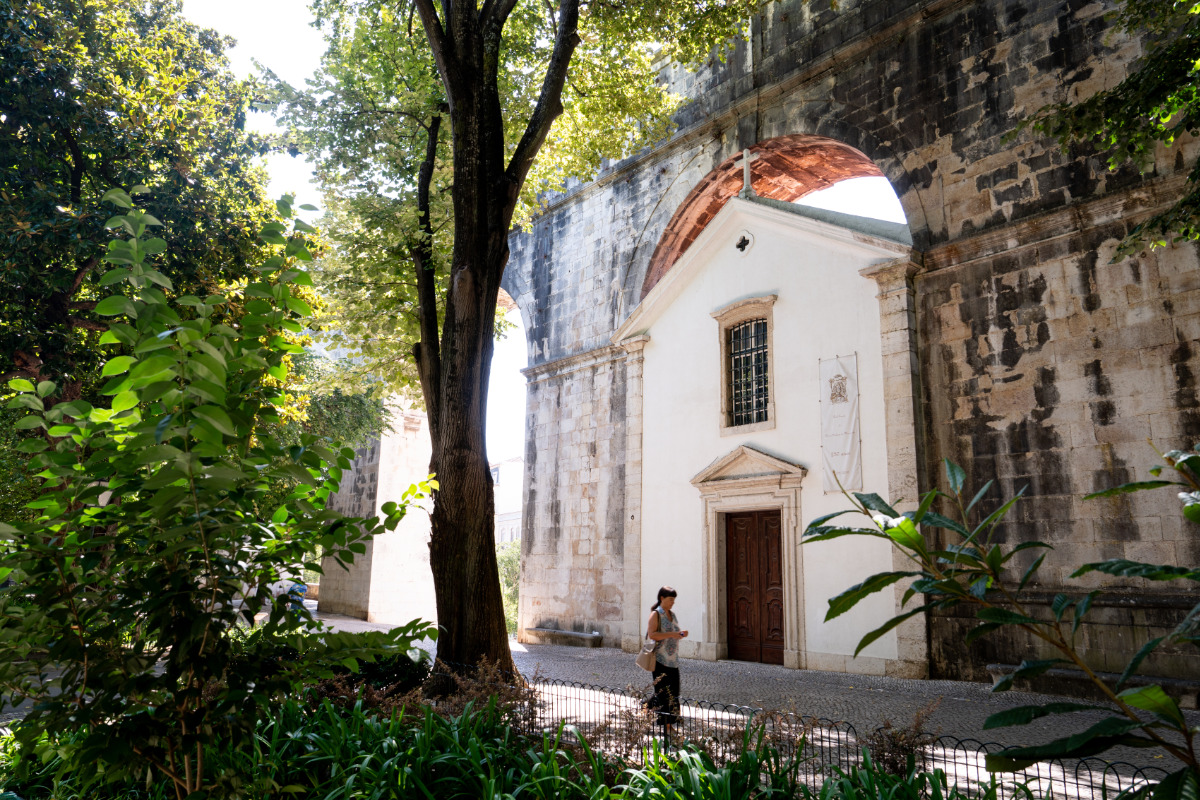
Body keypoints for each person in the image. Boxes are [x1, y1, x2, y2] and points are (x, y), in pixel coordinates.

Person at [644, 586, 688, 736]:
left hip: (673, 660)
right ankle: (667, 727)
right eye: (670, 600)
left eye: (673, 600)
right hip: (660, 660)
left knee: (674, 692)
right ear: (662, 598)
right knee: (664, 693)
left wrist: (681, 634)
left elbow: (674, 632)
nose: (672, 603)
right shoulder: (656, 614)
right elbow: (653, 635)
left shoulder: (672, 614)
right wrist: (673, 634)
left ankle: (646, 707)